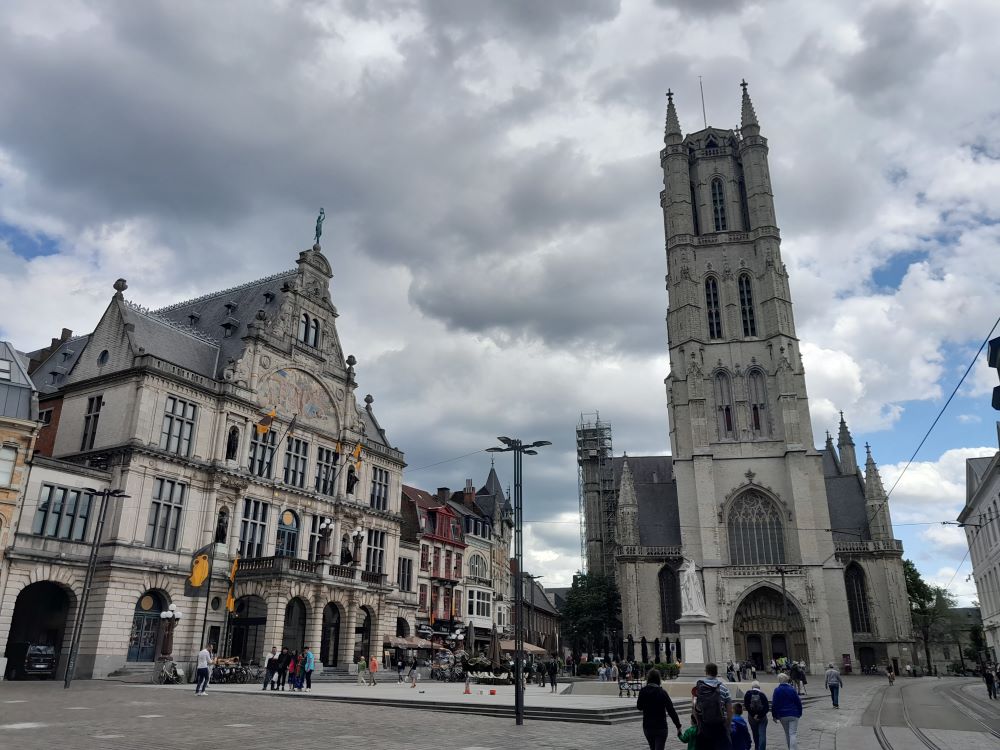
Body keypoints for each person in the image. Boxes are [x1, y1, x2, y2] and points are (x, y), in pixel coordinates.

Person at [636, 668, 683, 750]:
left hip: (648, 726)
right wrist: (678, 726)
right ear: (658, 679)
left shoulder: (643, 691)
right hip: (660, 726)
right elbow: (671, 710)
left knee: (652, 747)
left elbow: (639, 707)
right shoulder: (662, 692)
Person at [694, 662, 733, 750]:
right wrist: (727, 725)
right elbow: (730, 710)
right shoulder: (723, 687)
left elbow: (694, 708)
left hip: (704, 726)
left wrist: (699, 723)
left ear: (706, 672)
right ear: (716, 672)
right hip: (719, 725)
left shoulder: (699, 687)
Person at [772, 673, 803, 750]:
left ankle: (790, 748)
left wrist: (774, 715)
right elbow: (798, 701)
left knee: (787, 733)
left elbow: (774, 704)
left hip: (783, 715)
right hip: (793, 713)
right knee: (792, 733)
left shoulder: (777, 690)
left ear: (779, 680)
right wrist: (800, 712)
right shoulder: (792, 689)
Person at [744, 680, 770, 750]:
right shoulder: (762, 695)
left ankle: (756, 747)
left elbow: (746, 706)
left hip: (752, 718)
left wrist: (754, 715)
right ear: (759, 687)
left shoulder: (748, 694)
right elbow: (767, 708)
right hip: (762, 718)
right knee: (762, 734)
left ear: (752, 687)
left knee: (755, 734)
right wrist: (759, 715)